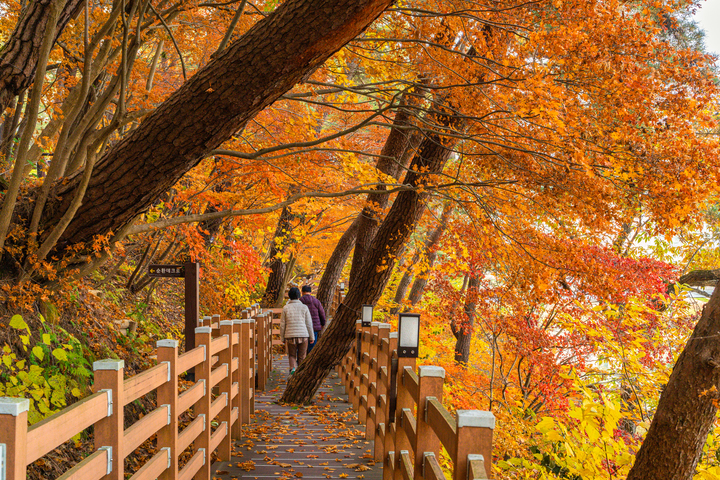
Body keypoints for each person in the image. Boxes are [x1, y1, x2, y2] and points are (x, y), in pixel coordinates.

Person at [280, 287, 314, 374]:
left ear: (289, 296)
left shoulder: (286, 308)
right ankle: (301, 373)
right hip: (303, 335)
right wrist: (312, 337)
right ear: (299, 296)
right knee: (302, 355)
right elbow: (309, 323)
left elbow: (282, 324)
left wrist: (282, 337)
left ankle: (293, 369)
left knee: (292, 355)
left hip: (290, 335)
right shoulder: (304, 307)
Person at [300, 285, 326, 354]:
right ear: (310, 292)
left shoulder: (299, 301)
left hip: (302, 327)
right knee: (312, 347)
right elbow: (322, 314)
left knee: (301, 348)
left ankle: (301, 362)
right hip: (314, 327)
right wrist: (323, 323)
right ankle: (309, 361)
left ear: (302, 292)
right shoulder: (316, 301)